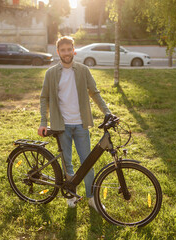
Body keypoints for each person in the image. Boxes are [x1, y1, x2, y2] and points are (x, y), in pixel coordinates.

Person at [38, 36, 111, 211]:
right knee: (68, 163)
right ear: (58, 52)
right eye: (62, 50)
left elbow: (94, 92)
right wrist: (43, 121)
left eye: (69, 49)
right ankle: (71, 195)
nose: (66, 53)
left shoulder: (83, 70)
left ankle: (91, 197)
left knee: (87, 162)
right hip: (61, 126)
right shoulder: (51, 73)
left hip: (80, 124)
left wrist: (107, 112)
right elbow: (44, 98)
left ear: (74, 50)